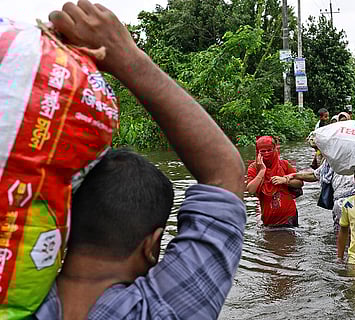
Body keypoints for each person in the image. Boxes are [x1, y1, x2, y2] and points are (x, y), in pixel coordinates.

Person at [35, 1, 246, 319]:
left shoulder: (13, 301)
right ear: (152, 246)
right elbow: (225, 173)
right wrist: (127, 56)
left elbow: (223, 174)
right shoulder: (162, 311)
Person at [246, 136, 304, 227]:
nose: (267, 153)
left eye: (269, 150)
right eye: (263, 151)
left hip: (289, 215)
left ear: (275, 149)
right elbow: (251, 190)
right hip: (268, 218)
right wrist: (262, 171)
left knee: (290, 240)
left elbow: (300, 183)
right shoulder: (254, 168)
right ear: (258, 152)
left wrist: (285, 180)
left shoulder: (283, 164)